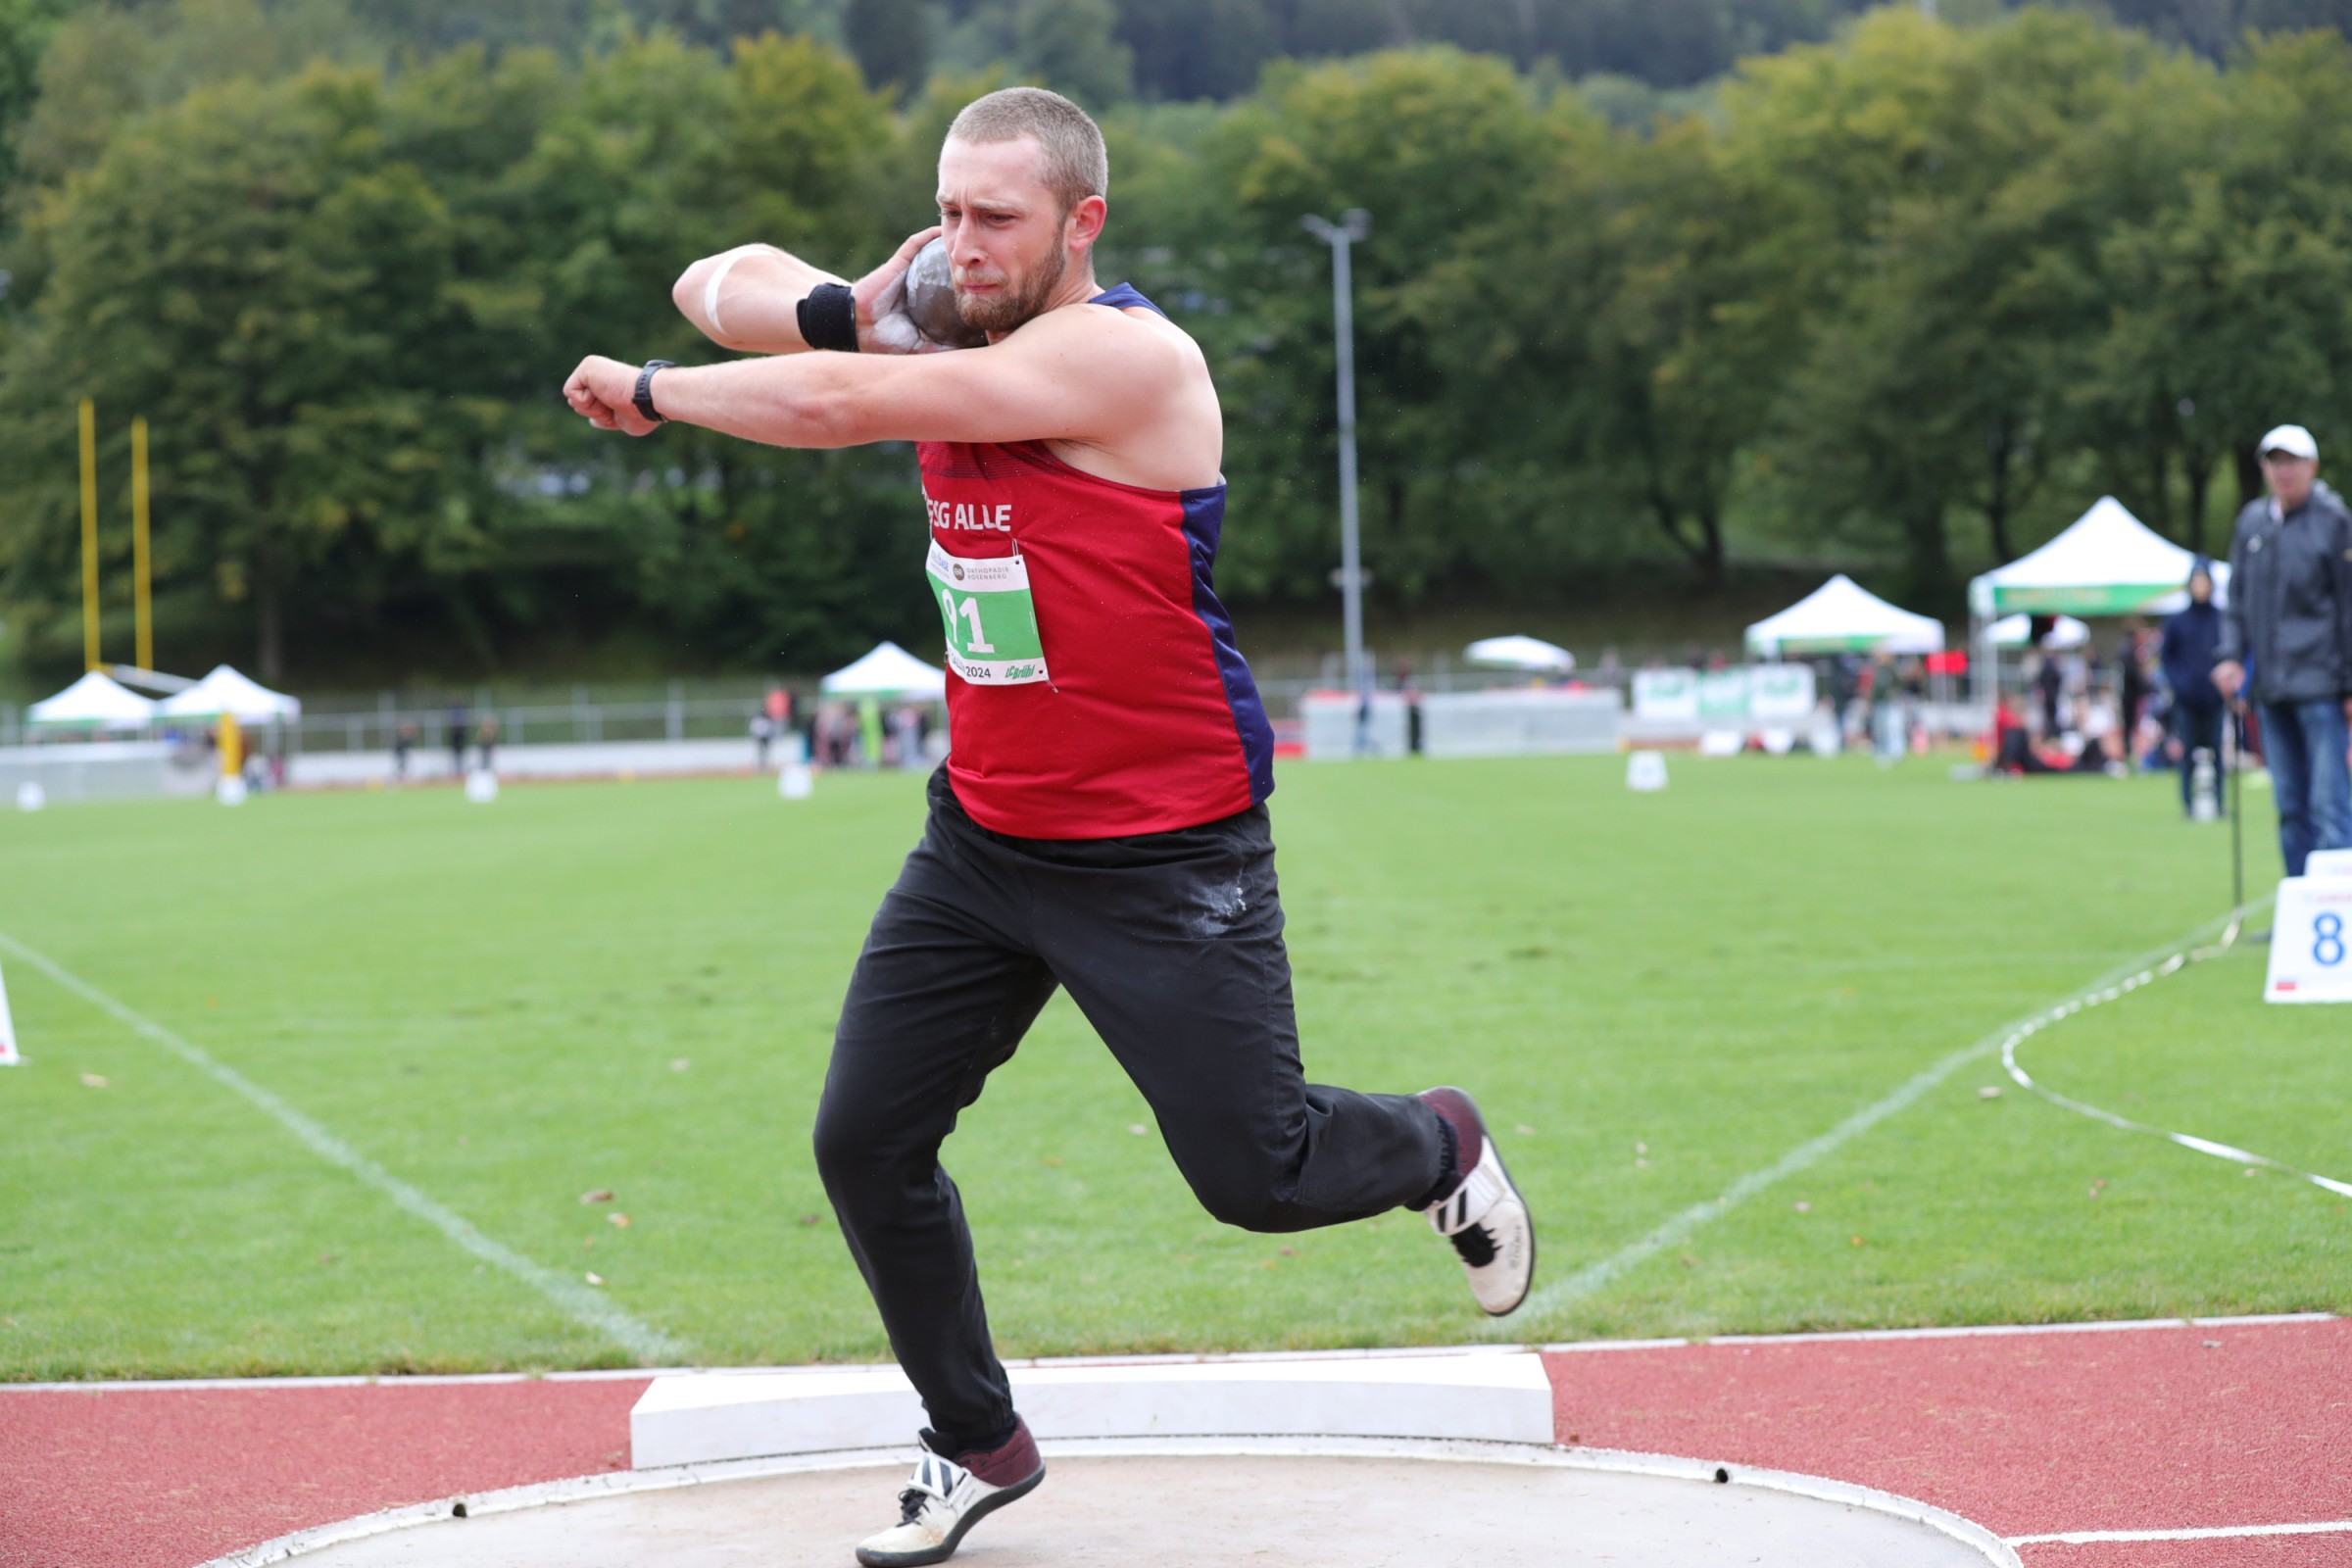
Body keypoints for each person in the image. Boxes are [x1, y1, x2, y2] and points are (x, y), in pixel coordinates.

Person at [564, 86, 1534, 1568]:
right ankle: (973, 1440)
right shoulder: (936, 322)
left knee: (1260, 1177)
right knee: (865, 1142)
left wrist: (656, 392)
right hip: (985, 839)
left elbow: (829, 406)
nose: (964, 243)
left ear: (1083, 223)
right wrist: (847, 301)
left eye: (996, 218)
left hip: (1163, 846)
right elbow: (713, 278)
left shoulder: (1124, 359)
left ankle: (1439, 1143)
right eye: (946, 212)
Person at [2212, 424, 2352, 877]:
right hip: (2271, 688)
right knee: (2290, 806)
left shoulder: (2335, 522)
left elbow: (2349, 607)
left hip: (2323, 685)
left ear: (2312, 466)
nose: (2284, 470)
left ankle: (2340, 905)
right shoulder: (2251, 523)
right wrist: (2229, 656)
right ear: (2264, 467)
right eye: (2275, 461)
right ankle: (2299, 903)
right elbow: (2236, 601)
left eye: (2293, 461)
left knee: (2330, 803)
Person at [2160, 561, 2226, 816]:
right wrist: (2180, 683)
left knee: (2217, 750)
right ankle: (2188, 802)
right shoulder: (2177, 621)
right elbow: (2168, 658)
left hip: (2215, 696)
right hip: (2186, 698)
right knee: (2188, 750)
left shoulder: (2220, 619)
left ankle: (2218, 802)